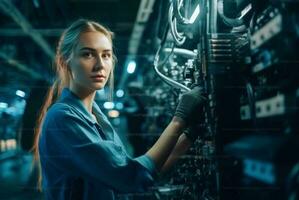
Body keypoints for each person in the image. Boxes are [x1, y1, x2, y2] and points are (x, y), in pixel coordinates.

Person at [32, 19, 205, 200]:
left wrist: (189, 136)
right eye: (88, 55)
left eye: (106, 55)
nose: (100, 65)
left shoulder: (95, 117)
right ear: (65, 62)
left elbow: (145, 172)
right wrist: (179, 121)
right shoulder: (62, 118)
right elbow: (130, 177)